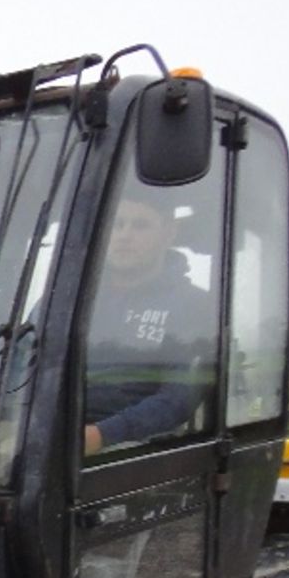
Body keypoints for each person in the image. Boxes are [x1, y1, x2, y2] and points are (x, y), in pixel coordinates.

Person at [82, 195, 216, 455]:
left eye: (140, 225)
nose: (124, 235)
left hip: (139, 448)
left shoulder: (194, 306)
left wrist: (103, 434)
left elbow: (178, 400)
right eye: (117, 224)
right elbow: (24, 364)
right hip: (57, 435)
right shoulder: (68, 302)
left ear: (169, 232)